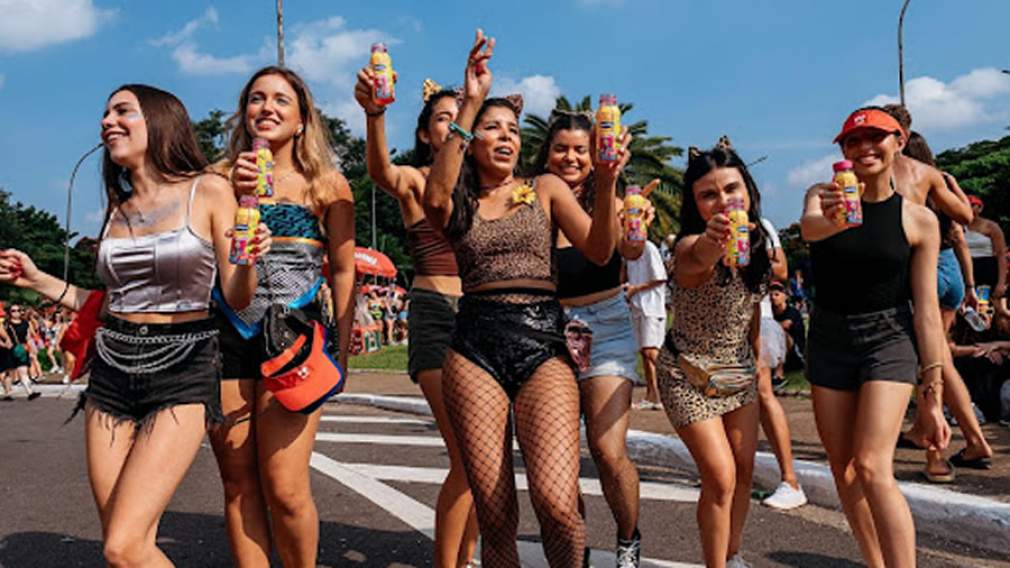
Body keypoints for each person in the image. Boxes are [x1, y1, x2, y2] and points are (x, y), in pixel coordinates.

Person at [0, 83, 266, 566]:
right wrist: (36, 280)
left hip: (183, 366)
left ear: (160, 120)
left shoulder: (207, 189)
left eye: (123, 111)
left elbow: (237, 296)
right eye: (105, 114)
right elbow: (106, 304)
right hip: (111, 372)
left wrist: (247, 258)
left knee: (122, 546)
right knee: (126, 545)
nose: (107, 121)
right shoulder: (116, 209)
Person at [423, 29, 625, 567]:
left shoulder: (545, 188)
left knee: (558, 504)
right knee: (494, 514)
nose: (506, 137)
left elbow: (600, 250)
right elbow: (435, 198)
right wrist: (470, 101)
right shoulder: (460, 199)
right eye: (492, 128)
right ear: (471, 139)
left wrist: (607, 180)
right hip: (475, 345)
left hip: (542, 342)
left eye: (513, 129)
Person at [209, 66, 356, 568]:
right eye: (256, 98)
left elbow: (343, 269)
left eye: (280, 100)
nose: (266, 108)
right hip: (227, 332)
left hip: (296, 337)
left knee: (286, 487)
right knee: (238, 481)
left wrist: (341, 346)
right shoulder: (216, 180)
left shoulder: (328, 185)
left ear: (301, 119)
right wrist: (233, 191)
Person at [801, 106, 951, 568]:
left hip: (888, 337)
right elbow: (810, 230)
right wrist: (839, 217)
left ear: (899, 142)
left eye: (876, 138)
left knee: (871, 465)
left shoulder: (919, 219)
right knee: (844, 470)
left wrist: (933, 395)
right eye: (853, 140)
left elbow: (927, 310)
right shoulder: (822, 196)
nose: (865, 147)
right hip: (828, 337)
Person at [355, 69, 480, 568]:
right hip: (434, 314)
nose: (454, 126)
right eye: (444, 119)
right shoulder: (415, 180)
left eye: (462, 118)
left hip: (483, 318)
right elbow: (379, 171)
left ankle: (464, 558)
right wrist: (375, 116)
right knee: (466, 455)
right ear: (426, 134)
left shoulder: (489, 188)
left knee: (483, 458)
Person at [532, 108, 646, 566]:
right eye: (561, 148)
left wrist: (635, 221)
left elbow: (631, 249)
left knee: (606, 449)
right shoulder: (532, 200)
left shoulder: (611, 201)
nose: (571, 157)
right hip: (547, 329)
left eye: (581, 149)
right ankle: (573, 549)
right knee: (558, 463)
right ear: (546, 154)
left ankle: (628, 538)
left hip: (607, 326)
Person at [657, 138, 769, 568]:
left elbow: (751, 311)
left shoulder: (760, 242)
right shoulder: (689, 245)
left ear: (748, 190)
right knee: (720, 477)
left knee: (743, 472)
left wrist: (759, 363)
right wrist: (712, 240)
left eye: (731, 189)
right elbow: (696, 259)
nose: (723, 201)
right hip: (686, 372)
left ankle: (732, 554)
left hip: (738, 369)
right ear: (695, 203)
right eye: (708, 195)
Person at [893, 127, 993, 481]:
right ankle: (926, 430)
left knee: (933, 362)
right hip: (951, 269)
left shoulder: (902, 178)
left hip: (924, 268)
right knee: (940, 356)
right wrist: (969, 286)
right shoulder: (940, 179)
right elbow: (963, 229)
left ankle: (959, 444)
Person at [754, 218, 807, 511]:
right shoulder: (700, 223)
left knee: (763, 393)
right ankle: (728, 472)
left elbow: (781, 269)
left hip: (755, 319)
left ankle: (790, 480)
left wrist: (741, 256)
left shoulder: (760, 225)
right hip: (715, 324)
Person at [626, 239, 667, 410]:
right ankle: (652, 396)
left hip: (652, 307)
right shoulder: (628, 251)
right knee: (645, 352)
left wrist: (636, 288)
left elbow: (660, 278)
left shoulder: (649, 248)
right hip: (637, 307)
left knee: (651, 351)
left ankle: (679, 382)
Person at [965, 194, 1008, 317]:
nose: (969, 208)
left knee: (983, 307)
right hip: (965, 268)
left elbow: (1001, 254)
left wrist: (1001, 283)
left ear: (980, 208)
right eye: (966, 205)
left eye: (973, 205)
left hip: (985, 270)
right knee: (965, 307)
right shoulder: (957, 226)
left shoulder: (991, 227)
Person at [2, 305, 41, 400]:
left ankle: (30, 392)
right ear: (9, 312)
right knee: (9, 373)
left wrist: (32, 349)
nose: (16, 312)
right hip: (9, 350)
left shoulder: (25, 323)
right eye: (13, 311)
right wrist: (4, 345)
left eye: (18, 310)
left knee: (23, 371)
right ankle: (8, 393)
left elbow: (28, 337)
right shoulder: (6, 324)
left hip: (22, 349)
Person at [770, 282, 805, 372]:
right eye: (770, 295)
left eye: (777, 294)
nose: (773, 297)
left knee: (781, 333)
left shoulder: (792, 312)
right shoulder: (769, 313)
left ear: (785, 296)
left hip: (795, 354)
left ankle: (779, 371)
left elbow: (786, 325)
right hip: (777, 353)